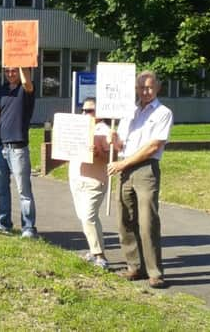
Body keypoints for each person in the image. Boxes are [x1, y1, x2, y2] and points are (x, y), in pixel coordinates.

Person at [108, 70, 173, 289]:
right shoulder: (129, 112)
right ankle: (134, 267)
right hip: (124, 167)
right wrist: (115, 141)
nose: (144, 91)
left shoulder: (163, 112)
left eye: (149, 87)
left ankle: (155, 272)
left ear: (157, 88)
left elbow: (153, 146)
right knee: (125, 219)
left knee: (148, 222)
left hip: (145, 169)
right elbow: (123, 146)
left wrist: (123, 164)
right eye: (141, 87)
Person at [0, 67, 37, 238]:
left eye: (14, 71)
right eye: (7, 71)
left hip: (18, 149)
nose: (10, 74)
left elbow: (27, 82)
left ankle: (28, 227)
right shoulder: (1, 90)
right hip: (0, 147)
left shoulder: (26, 90)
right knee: (1, 190)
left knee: (24, 191)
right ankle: (3, 223)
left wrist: (22, 58)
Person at [68, 97, 110, 268]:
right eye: (83, 110)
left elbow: (112, 157)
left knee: (88, 217)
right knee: (84, 217)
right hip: (77, 179)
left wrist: (99, 152)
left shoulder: (106, 131)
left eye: (90, 110)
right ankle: (94, 252)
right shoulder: (78, 128)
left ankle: (100, 256)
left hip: (95, 181)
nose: (86, 113)